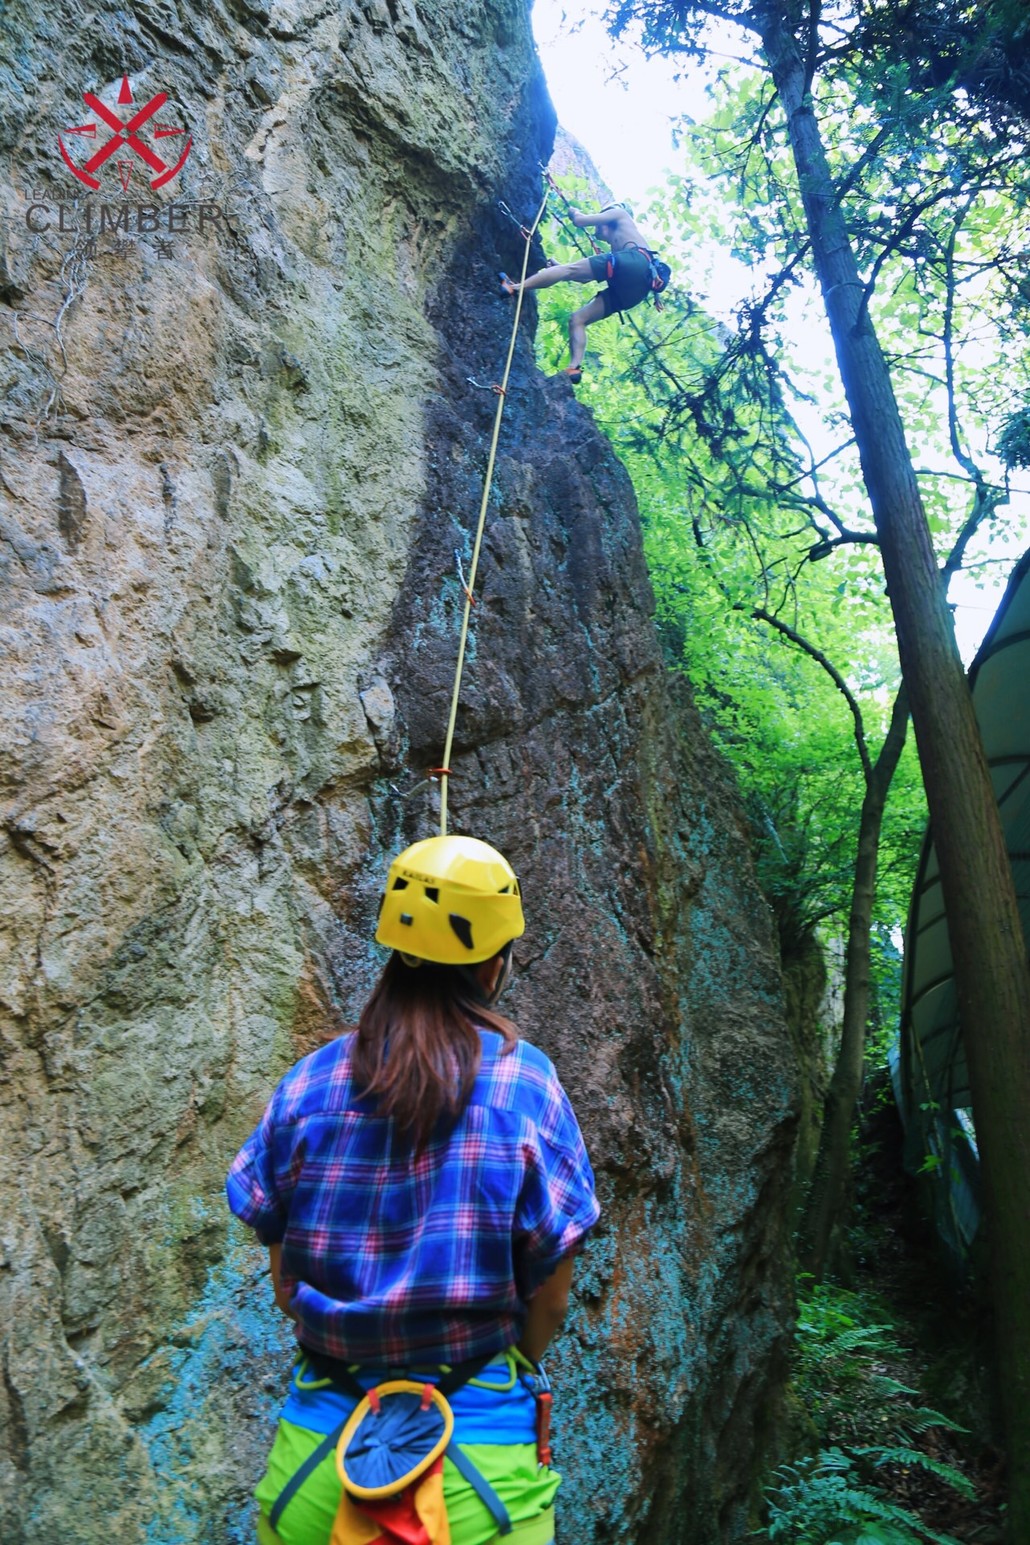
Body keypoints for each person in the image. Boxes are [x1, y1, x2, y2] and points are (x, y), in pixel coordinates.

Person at [226, 833, 600, 1545]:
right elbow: (550, 1294)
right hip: (479, 1478)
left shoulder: (310, 1082)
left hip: (317, 1464)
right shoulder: (526, 1085)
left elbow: (284, 1280)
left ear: (393, 947)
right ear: (496, 962)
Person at [499, 203, 666, 383]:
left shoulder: (619, 214)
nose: (596, 227)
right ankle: (574, 367)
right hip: (635, 293)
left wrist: (573, 211)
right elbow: (583, 278)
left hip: (634, 262)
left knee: (569, 270)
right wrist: (559, 267)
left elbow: (579, 221)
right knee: (578, 320)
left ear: (605, 218)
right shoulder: (622, 243)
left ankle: (513, 288)